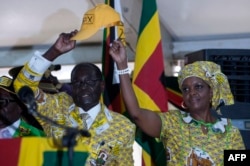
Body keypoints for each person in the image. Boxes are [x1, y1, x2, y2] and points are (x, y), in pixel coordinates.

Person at [109, 40, 245, 165]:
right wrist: (122, 66)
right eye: (186, 89)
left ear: (211, 92)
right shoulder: (172, 123)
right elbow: (136, 114)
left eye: (198, 87)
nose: (192, 92)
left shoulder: (229, 133)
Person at [13, 31, 136, 166]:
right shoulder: (56, 108)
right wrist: (55, 51)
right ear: (72, 86)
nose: (83, 87)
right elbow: (22, 86)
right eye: (77, 83)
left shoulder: (123, 127)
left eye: (90, 82)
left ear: (101, 86)